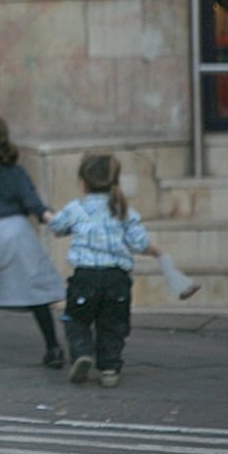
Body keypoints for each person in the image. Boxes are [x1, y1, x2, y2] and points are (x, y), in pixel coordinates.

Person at [47, 153, 158, 388]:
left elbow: (57, 226)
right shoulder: (123, 209)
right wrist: (154, 250)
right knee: (113, 325)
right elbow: (139, 243)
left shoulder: (76, 208)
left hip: (85, 276)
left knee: (76, 319)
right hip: (116, 278)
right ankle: (109, 370)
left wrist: (48, 216)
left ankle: (82, 354)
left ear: (82, 183)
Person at [0, 114, 66, 368]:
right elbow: (34, 204)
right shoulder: (14, 171)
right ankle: (53, 347)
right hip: (18, 233)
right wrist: (55, 220)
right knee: (37, 294)